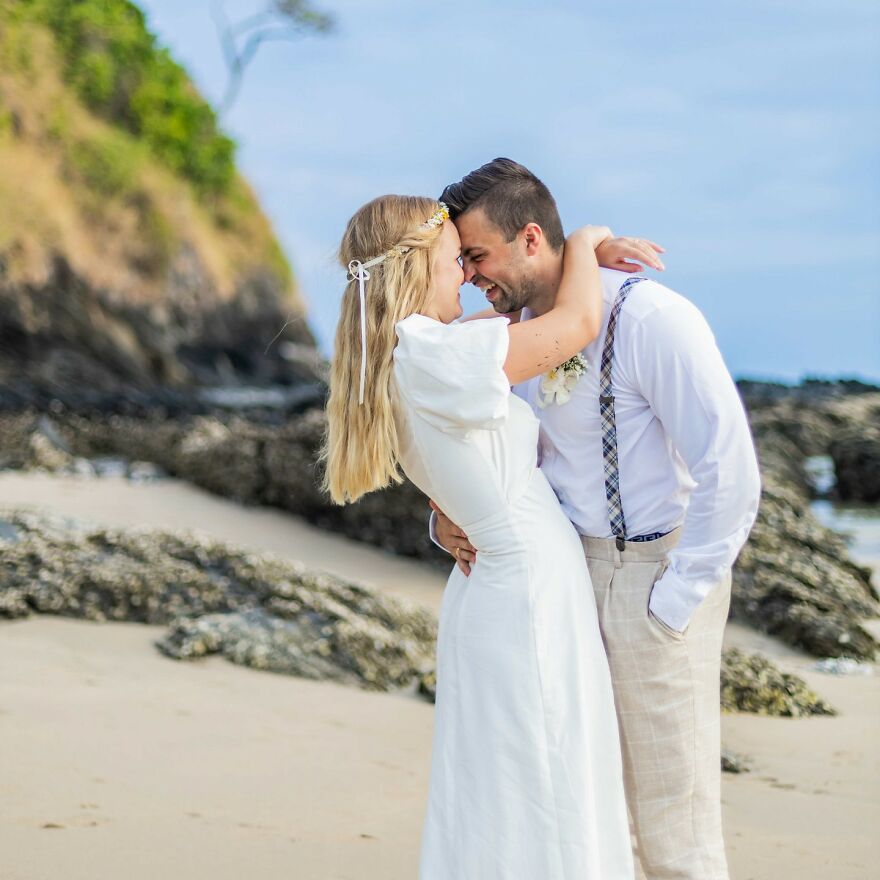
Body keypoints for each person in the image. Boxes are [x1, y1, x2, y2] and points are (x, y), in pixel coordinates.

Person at [432, 158, 762, 880]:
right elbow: (496, 459)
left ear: (528, 239)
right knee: (591, 811)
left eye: (477, 256)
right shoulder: (509, 336)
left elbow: (729, 469)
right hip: (561, 582)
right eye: (459, 261)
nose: (468, 275)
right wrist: (447, 519)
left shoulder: (651, 317)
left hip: (652, 576)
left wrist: (674, 601)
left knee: (674, 824)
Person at [321, 193, 652, 878]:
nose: (466, 276)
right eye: (453, 262)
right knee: (544, 786)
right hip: (524, 598)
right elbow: (580, 321)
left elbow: (465, 458)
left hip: (504, 591)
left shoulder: (411, 354)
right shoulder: (438, 355)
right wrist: (586, 241)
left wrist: (446, 519)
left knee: (514, 793)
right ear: (414, 272)